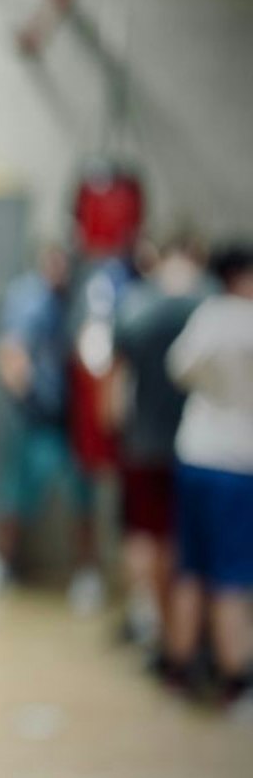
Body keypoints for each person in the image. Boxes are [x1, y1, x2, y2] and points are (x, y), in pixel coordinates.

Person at [0, 241, 95, 599]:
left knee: (82, 497)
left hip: (69, 419)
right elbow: (11, 354)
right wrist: (31, 397)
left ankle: (87, 572)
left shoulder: (79, 298)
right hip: (32, 417)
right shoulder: (27, 297)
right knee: (10, 494)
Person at [161, 242, 253, 711]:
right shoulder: (245, 320)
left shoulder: (208, 317)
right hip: (237, 464)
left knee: (191, 567)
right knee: (232, 574)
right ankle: (234, 677)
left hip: (195, 453)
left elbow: (179, 369)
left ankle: (179, 666)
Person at [109, 233, 209, 654]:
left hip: (142, 442)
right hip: (197, 447)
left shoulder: (134, 306)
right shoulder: (211, 304)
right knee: (182, 544)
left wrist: (117, 433)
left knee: (142, 534)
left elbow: (114, 391)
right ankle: (186, 639)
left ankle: (148, 618)